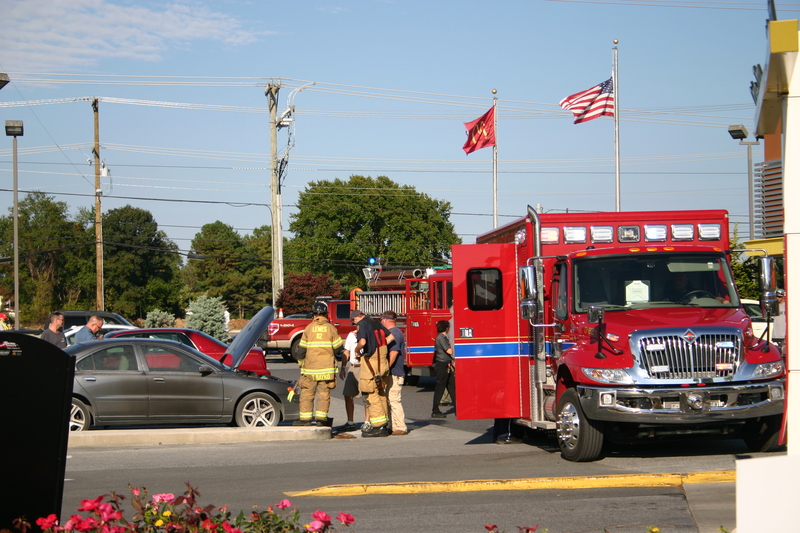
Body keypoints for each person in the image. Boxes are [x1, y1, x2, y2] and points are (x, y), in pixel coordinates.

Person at [294, 301, 343, 426]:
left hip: (310, 369)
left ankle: (305, 420)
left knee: (307, 393)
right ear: (326, 314)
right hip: (326, 370)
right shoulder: (331, 329)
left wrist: (301, 363)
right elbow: (338, 347)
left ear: (314, 314)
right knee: (324, 394)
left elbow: (301, 350)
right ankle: (321, 420)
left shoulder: (308, 328)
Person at [351, 309, 393, 437]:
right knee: (381, 392)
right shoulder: (375, 322)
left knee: (370, 394)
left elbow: (362, 342)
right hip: (383, 364)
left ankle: (378, 426)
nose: (354, 324)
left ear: (356, 318)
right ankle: (385, 424)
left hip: (371, 364)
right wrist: (380, 347)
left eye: (353, 321)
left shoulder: (362, 324)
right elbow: (391, 337)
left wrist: (357, 350)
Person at [381, 311, 408, 435]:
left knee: (394, 399)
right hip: (394, 372)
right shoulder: (396, 332)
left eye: (381, 320)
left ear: (386, 320)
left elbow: (394, 352)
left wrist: (386, 367)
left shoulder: (394, 333)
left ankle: (400, 427)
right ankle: (394, 426)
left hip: (395, 372)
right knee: (390, 399)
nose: (381, 322)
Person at [339, 329, 369, 432]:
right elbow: (346, 351)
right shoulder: (351, 335)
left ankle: (367, 422)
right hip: (353, 366)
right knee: (348, 394)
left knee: (366, 395)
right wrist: (343, 368)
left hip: (365, 367)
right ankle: (350, 422)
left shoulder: (368, 334)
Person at [431, 319, 455, 419]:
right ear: (446, 328)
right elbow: (449, 351)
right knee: (440, 387)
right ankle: (435, 410)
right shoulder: (441, 338)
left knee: (451, 386)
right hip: (442, 365)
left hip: (445, 364)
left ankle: (458, 407)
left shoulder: (441, 337)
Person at [772, 289, 786, 355]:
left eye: (779, 296)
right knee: (777, 353)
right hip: (776, 333)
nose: (777, 298)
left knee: (784, 352)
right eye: (776, 296)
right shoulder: (775, 306)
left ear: (784, 296)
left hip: (784, 333)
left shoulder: (786, 306)